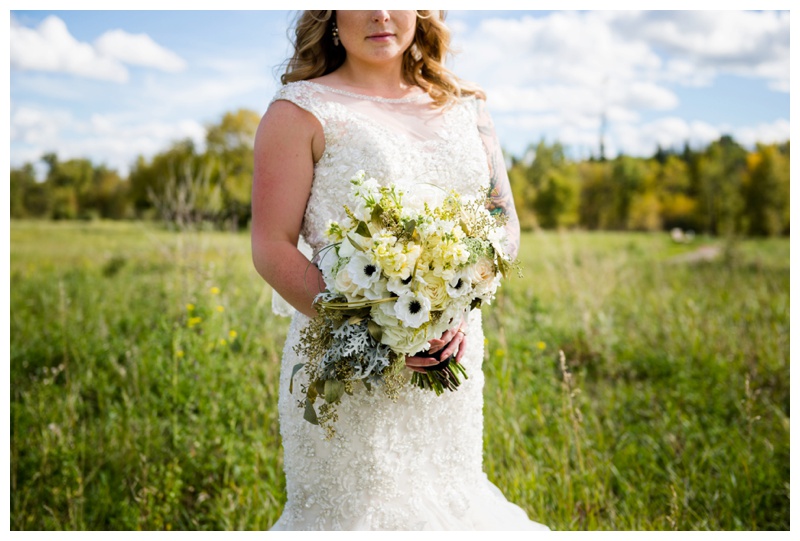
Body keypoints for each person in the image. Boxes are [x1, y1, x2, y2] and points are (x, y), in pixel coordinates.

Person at [251, 10, 549, 531]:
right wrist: (378, 331)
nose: (381, 13)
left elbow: (503, 227)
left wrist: (448, 316)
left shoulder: (468, 107)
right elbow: (271, 247)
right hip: (345, 363)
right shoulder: (298, 112)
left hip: (453, 351)